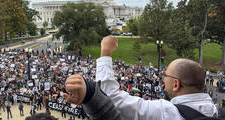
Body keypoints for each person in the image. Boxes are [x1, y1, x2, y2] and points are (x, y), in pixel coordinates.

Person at [64, 36, 218, 120]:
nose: (164, 80)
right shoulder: (216, 111)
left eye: (167, 77)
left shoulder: (166, 112)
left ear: (176, 84)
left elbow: (110, 97)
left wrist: (106, 52)